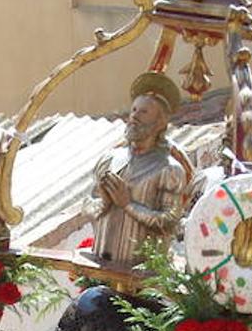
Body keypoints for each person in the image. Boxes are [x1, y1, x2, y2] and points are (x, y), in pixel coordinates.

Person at [48, 73, 188, 268]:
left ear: (160, 123)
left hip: (142, 277)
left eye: (144, 112)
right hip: (102, 266)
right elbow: (87, 205)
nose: (134, 116)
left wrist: (128, 204)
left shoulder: (169, 169)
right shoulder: (110, 159)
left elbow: (169, 222)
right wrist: (104, 203)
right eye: (134, 110)